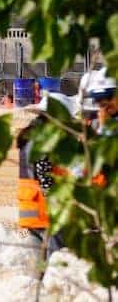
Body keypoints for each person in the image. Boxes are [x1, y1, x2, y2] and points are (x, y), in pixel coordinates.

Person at [17, 91, 74, 254]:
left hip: (32, 211)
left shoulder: (33, 135)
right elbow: (44, 177)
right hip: (46, 213)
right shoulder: (43, 139)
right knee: (55, 262)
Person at [87, 67, 117, 135]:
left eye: (108, 97)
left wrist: (103, 126)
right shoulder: (93, 122)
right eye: (98, 99)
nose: (104, 103)